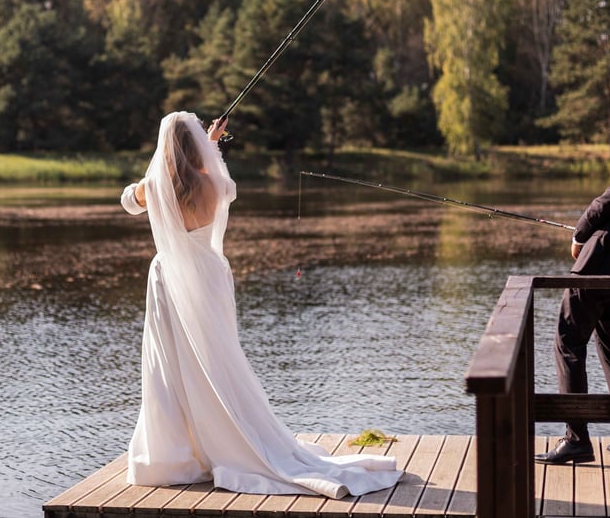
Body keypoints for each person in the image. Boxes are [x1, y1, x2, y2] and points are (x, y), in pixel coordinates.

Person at [120, 111, 402, 497]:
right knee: (218, 358)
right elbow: (224, 188)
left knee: (169, 364)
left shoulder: (153, 187)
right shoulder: (213, 184)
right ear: (195, 145)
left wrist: (165, 168)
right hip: (208, 277)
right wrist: (212, 147)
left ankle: (178, 452)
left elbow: (128, 202)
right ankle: (221, 438)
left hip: (169, 279)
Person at [535, 167, 610, 464]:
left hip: (602, 262)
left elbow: (604, 204)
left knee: (568, 341)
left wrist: (579, 236)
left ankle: (576, 440)